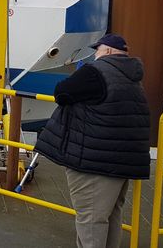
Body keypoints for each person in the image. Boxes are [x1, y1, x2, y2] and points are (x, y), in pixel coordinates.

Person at [35, 34, 150, 248]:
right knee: (111, 215)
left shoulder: (96, 71)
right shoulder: (132, 77)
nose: (95, 54)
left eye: (97, 50)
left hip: (94, 163)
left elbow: (61, 92)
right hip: (123, 161)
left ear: (107, 51)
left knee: (90, 219)